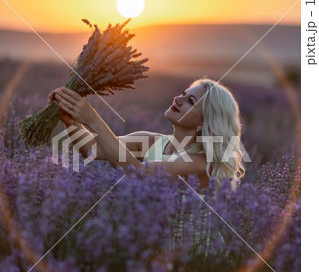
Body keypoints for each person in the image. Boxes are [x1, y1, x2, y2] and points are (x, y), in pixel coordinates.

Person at [48, 78, 245, 195]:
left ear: (205, 121)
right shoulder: (151, 142)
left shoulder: (200, 162)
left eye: (190, 101)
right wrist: (71, 120)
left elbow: (140, 174)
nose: (178, 99)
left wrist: (92, 118)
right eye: (184, 93)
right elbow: (92, 148)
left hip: (189, 256)